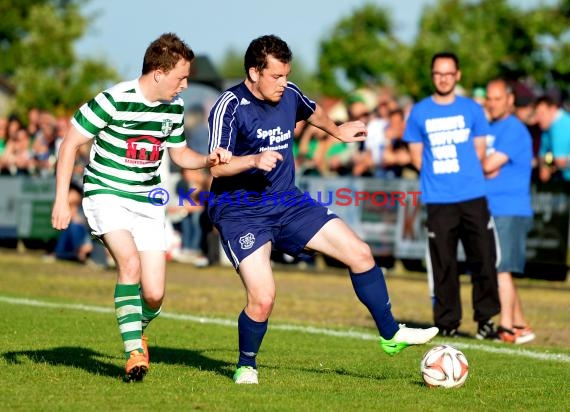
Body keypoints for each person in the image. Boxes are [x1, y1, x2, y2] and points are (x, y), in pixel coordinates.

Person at [207, 34, 438, 385]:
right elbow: (217, 167)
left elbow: (312, 111)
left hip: (287, 202)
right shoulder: (229, 106)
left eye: (286, 75)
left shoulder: (290, 94)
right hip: (241, 211)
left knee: (360, 253)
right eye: (276, 76)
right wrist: (252, 159)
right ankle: (246, 364)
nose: (283, 84)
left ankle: (390, 335)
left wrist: (338, 132)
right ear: (254, 73)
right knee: (264, 297)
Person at [51, 33, 231, 382]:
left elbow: (179, 155)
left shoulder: (174, 108)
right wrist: (61, 199)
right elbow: (70, 143)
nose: (185, 84)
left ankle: (138, 328)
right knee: (129, 265)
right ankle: (134, 353)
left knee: (154, 292)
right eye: (181, 77)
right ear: (158, 73)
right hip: (106, 194)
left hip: (147, 200)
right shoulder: (114, 99)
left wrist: (207, 159)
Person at [403, 51, 500, 340]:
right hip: (439, 199)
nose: (443, 78)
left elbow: (480, 150)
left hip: (473, 196)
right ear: (432, 76)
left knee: (483, 259)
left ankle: (485, 321)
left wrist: (464, 176)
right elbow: (416, 155)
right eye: (438, 73)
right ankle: (447, 323)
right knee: (444, 264)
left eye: (448, 73)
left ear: (457, 75)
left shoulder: (472, 109)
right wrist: (440, 177)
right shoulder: (419, 112)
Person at [483, 78, 535, 344]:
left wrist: (483, 164)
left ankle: (505, 327)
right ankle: (520, 326)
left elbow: (489, 164)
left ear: (510, 100)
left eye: (497, 98)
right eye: (489, 98)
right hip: (493, 207)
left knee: (501, 269)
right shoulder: (490, 127)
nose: (492, 104)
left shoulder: (513, 129)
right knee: (503, 270)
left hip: (509, 208)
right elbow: (485, 165)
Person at [534, 95, 570, 184]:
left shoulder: (563, 126)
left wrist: (548, 166)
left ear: (553, 109)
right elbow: (544, 153)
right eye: (537, 114)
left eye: (542, 113)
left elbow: (560, 161)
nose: (538, 118)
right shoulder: (547, 128)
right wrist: (546, 164)